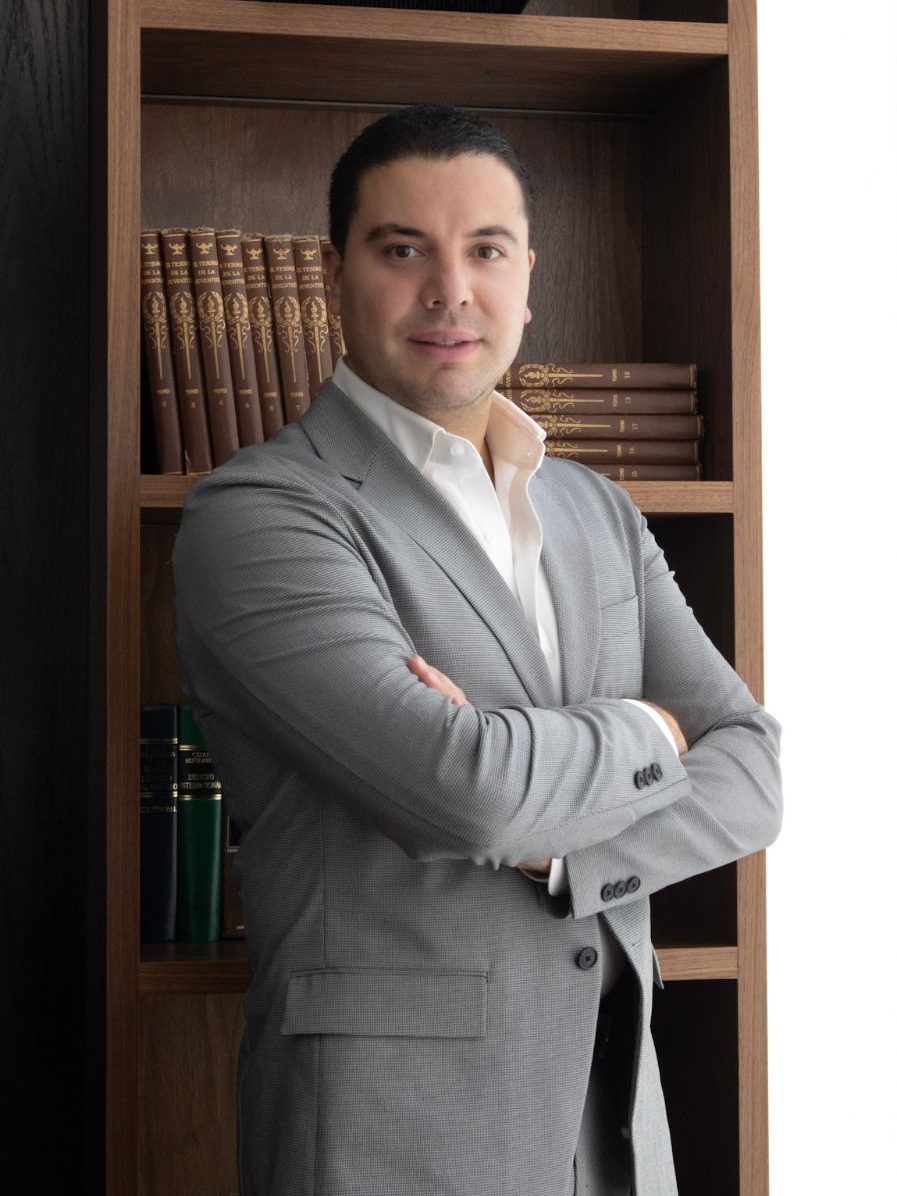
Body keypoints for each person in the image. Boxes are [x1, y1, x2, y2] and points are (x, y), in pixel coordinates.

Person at [172, 105, 782, 1196]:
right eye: (403, 249)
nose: (450, 290)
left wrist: (557, 851)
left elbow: (753, 769)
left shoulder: (595, 508)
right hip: (391, 1136)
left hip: (611, 1121)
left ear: (528, 274)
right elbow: (467, 791)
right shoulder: (262, 515)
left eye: (486, 250)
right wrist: (649, 727)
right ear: (335, 272)